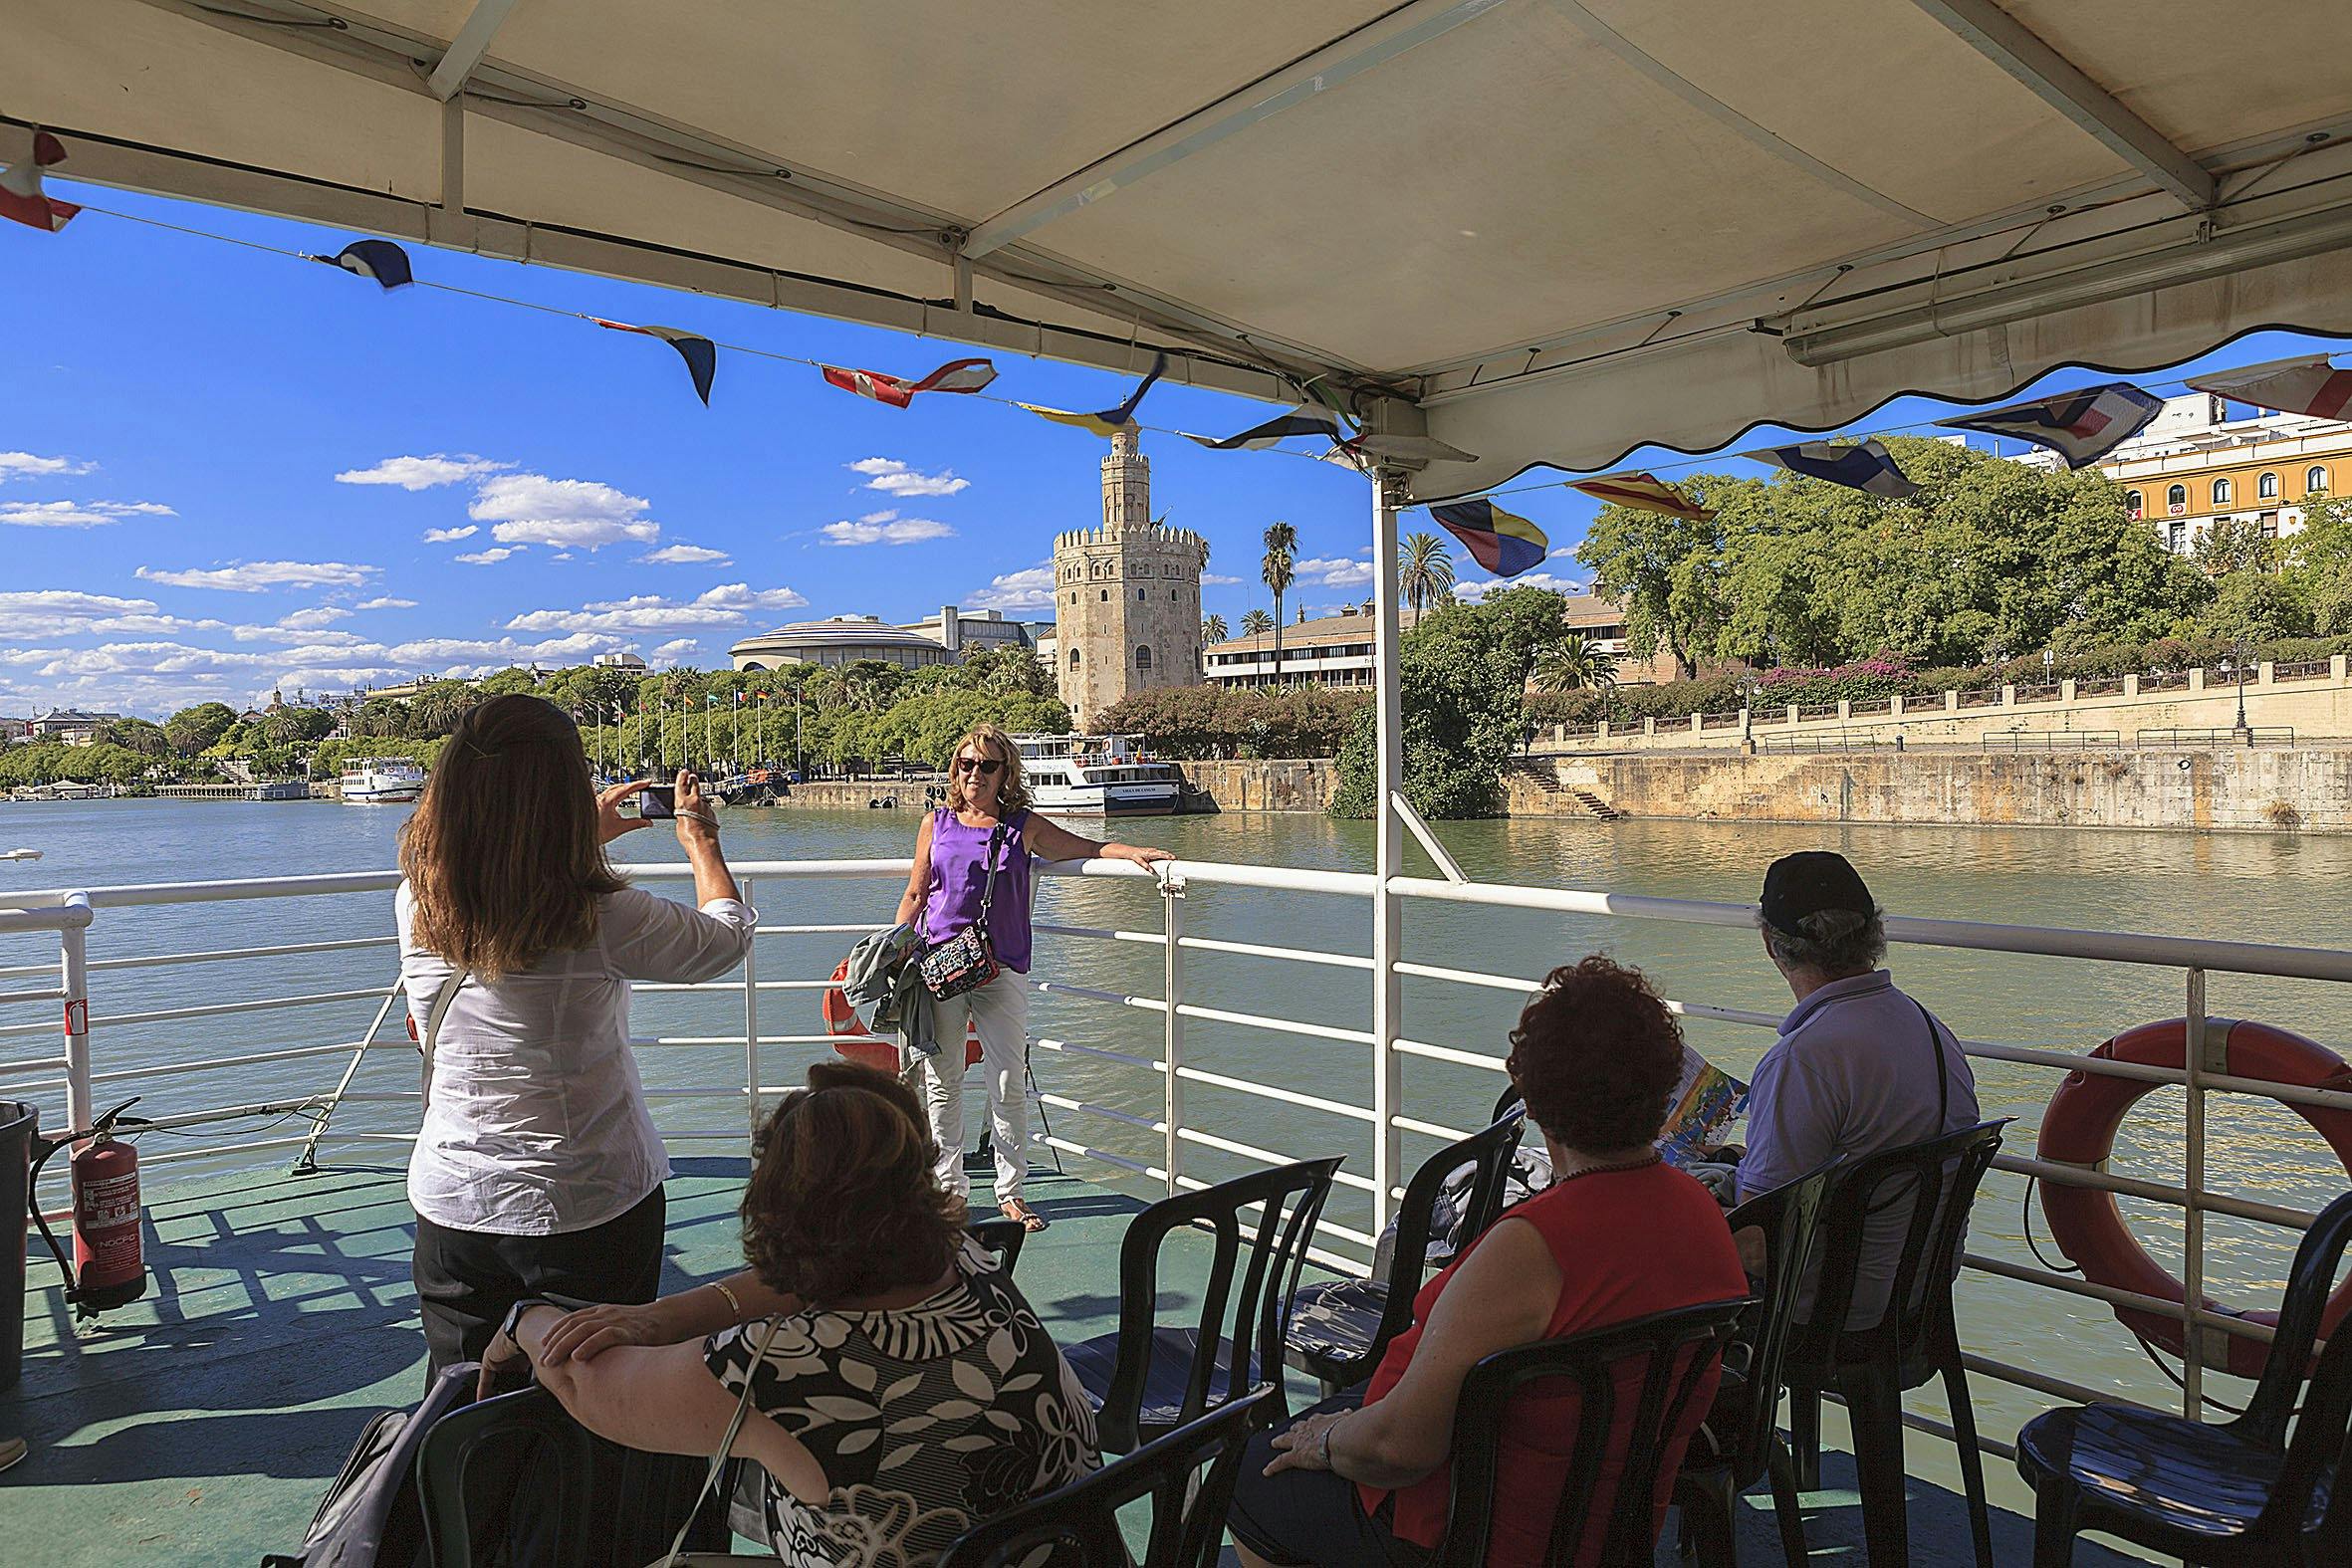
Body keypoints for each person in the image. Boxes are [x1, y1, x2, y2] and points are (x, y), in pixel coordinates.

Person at [1226, 957, 1750, 1568]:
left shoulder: (1532, 1247)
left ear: (1534, 1102)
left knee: (1246, 1479)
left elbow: (1402, 1449)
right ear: (1663, 1091)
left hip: (1476, 1536)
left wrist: (1329, 1441)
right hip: (1610, 1527)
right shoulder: (1704, 1217)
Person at [484, 1061, 1100, 1567]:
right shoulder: (967, 1259)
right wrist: (658, 1319)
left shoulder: (772, 1369)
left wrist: (524, 1320)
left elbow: (584, 1383)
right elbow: (831, 1270)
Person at [397, 694, 754, 1373]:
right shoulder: (602, 914)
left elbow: (502, 877)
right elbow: (723, 940)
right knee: (595, 1407)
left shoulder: (418, 898)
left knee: (463, 1404)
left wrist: (573, 835)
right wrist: (701, 841)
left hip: (456, 1203)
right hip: (587, 1203)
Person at [894, 723, 1174, 1231]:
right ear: (954, 769)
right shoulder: (935, 823)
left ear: (1006, 773)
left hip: (1001, 967)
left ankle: (1010, 1191)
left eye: (986, 765)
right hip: (938, 965)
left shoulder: (1021, 825)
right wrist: (892, 948)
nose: (974, 773)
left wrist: (1131, 852)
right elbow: (917, 893)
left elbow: (1082, 847)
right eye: (965, 763)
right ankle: (948, 1191)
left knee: (1006, 1079)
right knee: (944, 1082)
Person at [1737, 850, 1981, 1329]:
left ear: (1771, 944)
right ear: (1874, 935)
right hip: (1919, 1298)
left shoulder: (1803, 1059)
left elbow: (1757, 1250)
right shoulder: (1929, 1028)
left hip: (1827, 1315)